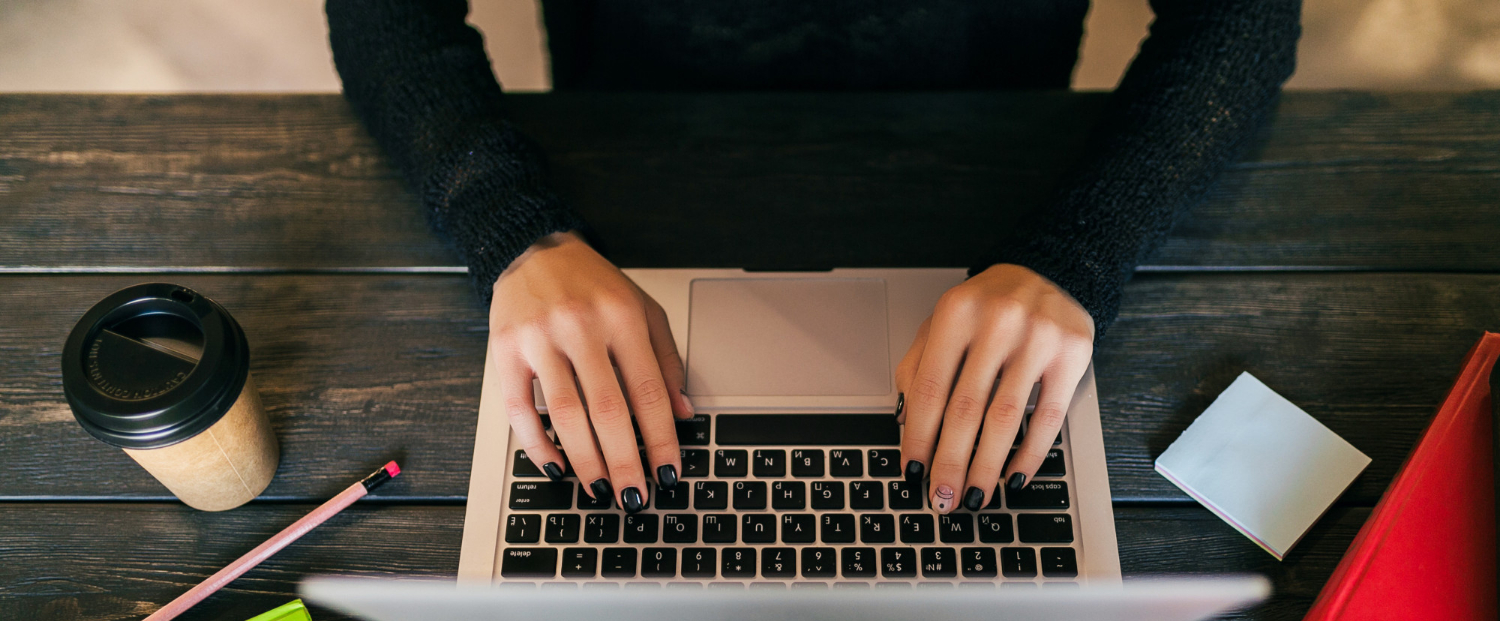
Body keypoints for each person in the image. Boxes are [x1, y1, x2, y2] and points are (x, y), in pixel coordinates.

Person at [326, 1, 1300, 515]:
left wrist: (1083, 248)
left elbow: (1244, 17)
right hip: (619, 176)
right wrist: (508, 226)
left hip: (1006, 175)